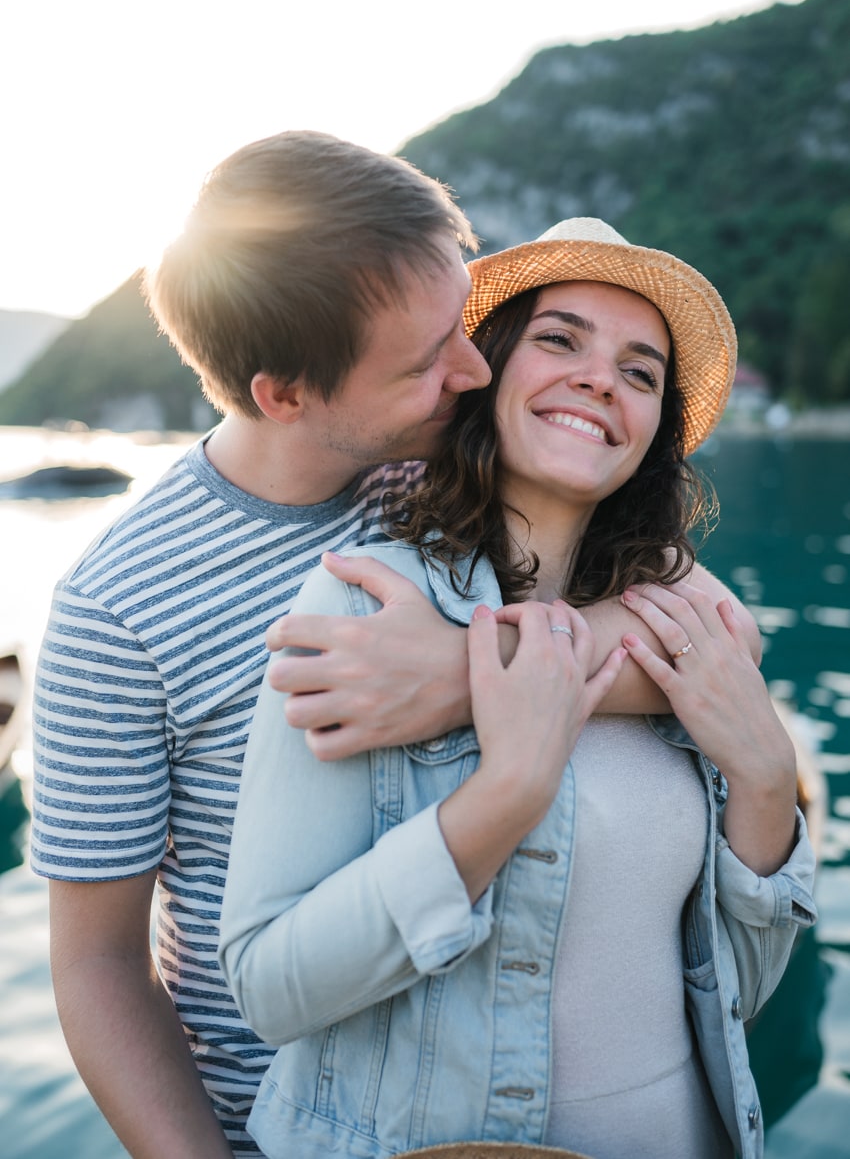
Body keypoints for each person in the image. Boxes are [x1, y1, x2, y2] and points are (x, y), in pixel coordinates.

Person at [28, 137, 745, 1159]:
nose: (470, 367)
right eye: (424, 361)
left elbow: (721, 629)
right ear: (285, 395)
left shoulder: (441, 464)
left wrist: (462, 679)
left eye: (462, 325)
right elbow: (98, 966)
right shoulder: (117, 606)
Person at [219, 218, 818, 1159]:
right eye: (559, 339)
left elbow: (737, 983)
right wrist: (506, 798)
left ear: (656, 429)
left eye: (641, 371)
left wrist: (767, 782)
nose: (599, 380)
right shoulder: (368, 600)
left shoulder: (681, 631)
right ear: (487, 369)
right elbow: (270, 988)